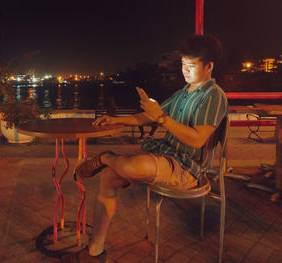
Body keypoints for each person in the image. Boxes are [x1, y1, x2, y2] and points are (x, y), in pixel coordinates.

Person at [60, 34, 228, 263]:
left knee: (132, 165)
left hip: (189, 168)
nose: (185, 71)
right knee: (109, 177)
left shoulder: (213, 96)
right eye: (183, 65)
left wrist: (162, 119)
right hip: (167, 155)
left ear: (208, 66)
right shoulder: (184, 92)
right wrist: (116, 120)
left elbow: (198, 139)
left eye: (191, 65)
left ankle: (106, 157)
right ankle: (95, 251)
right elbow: (147, 117)